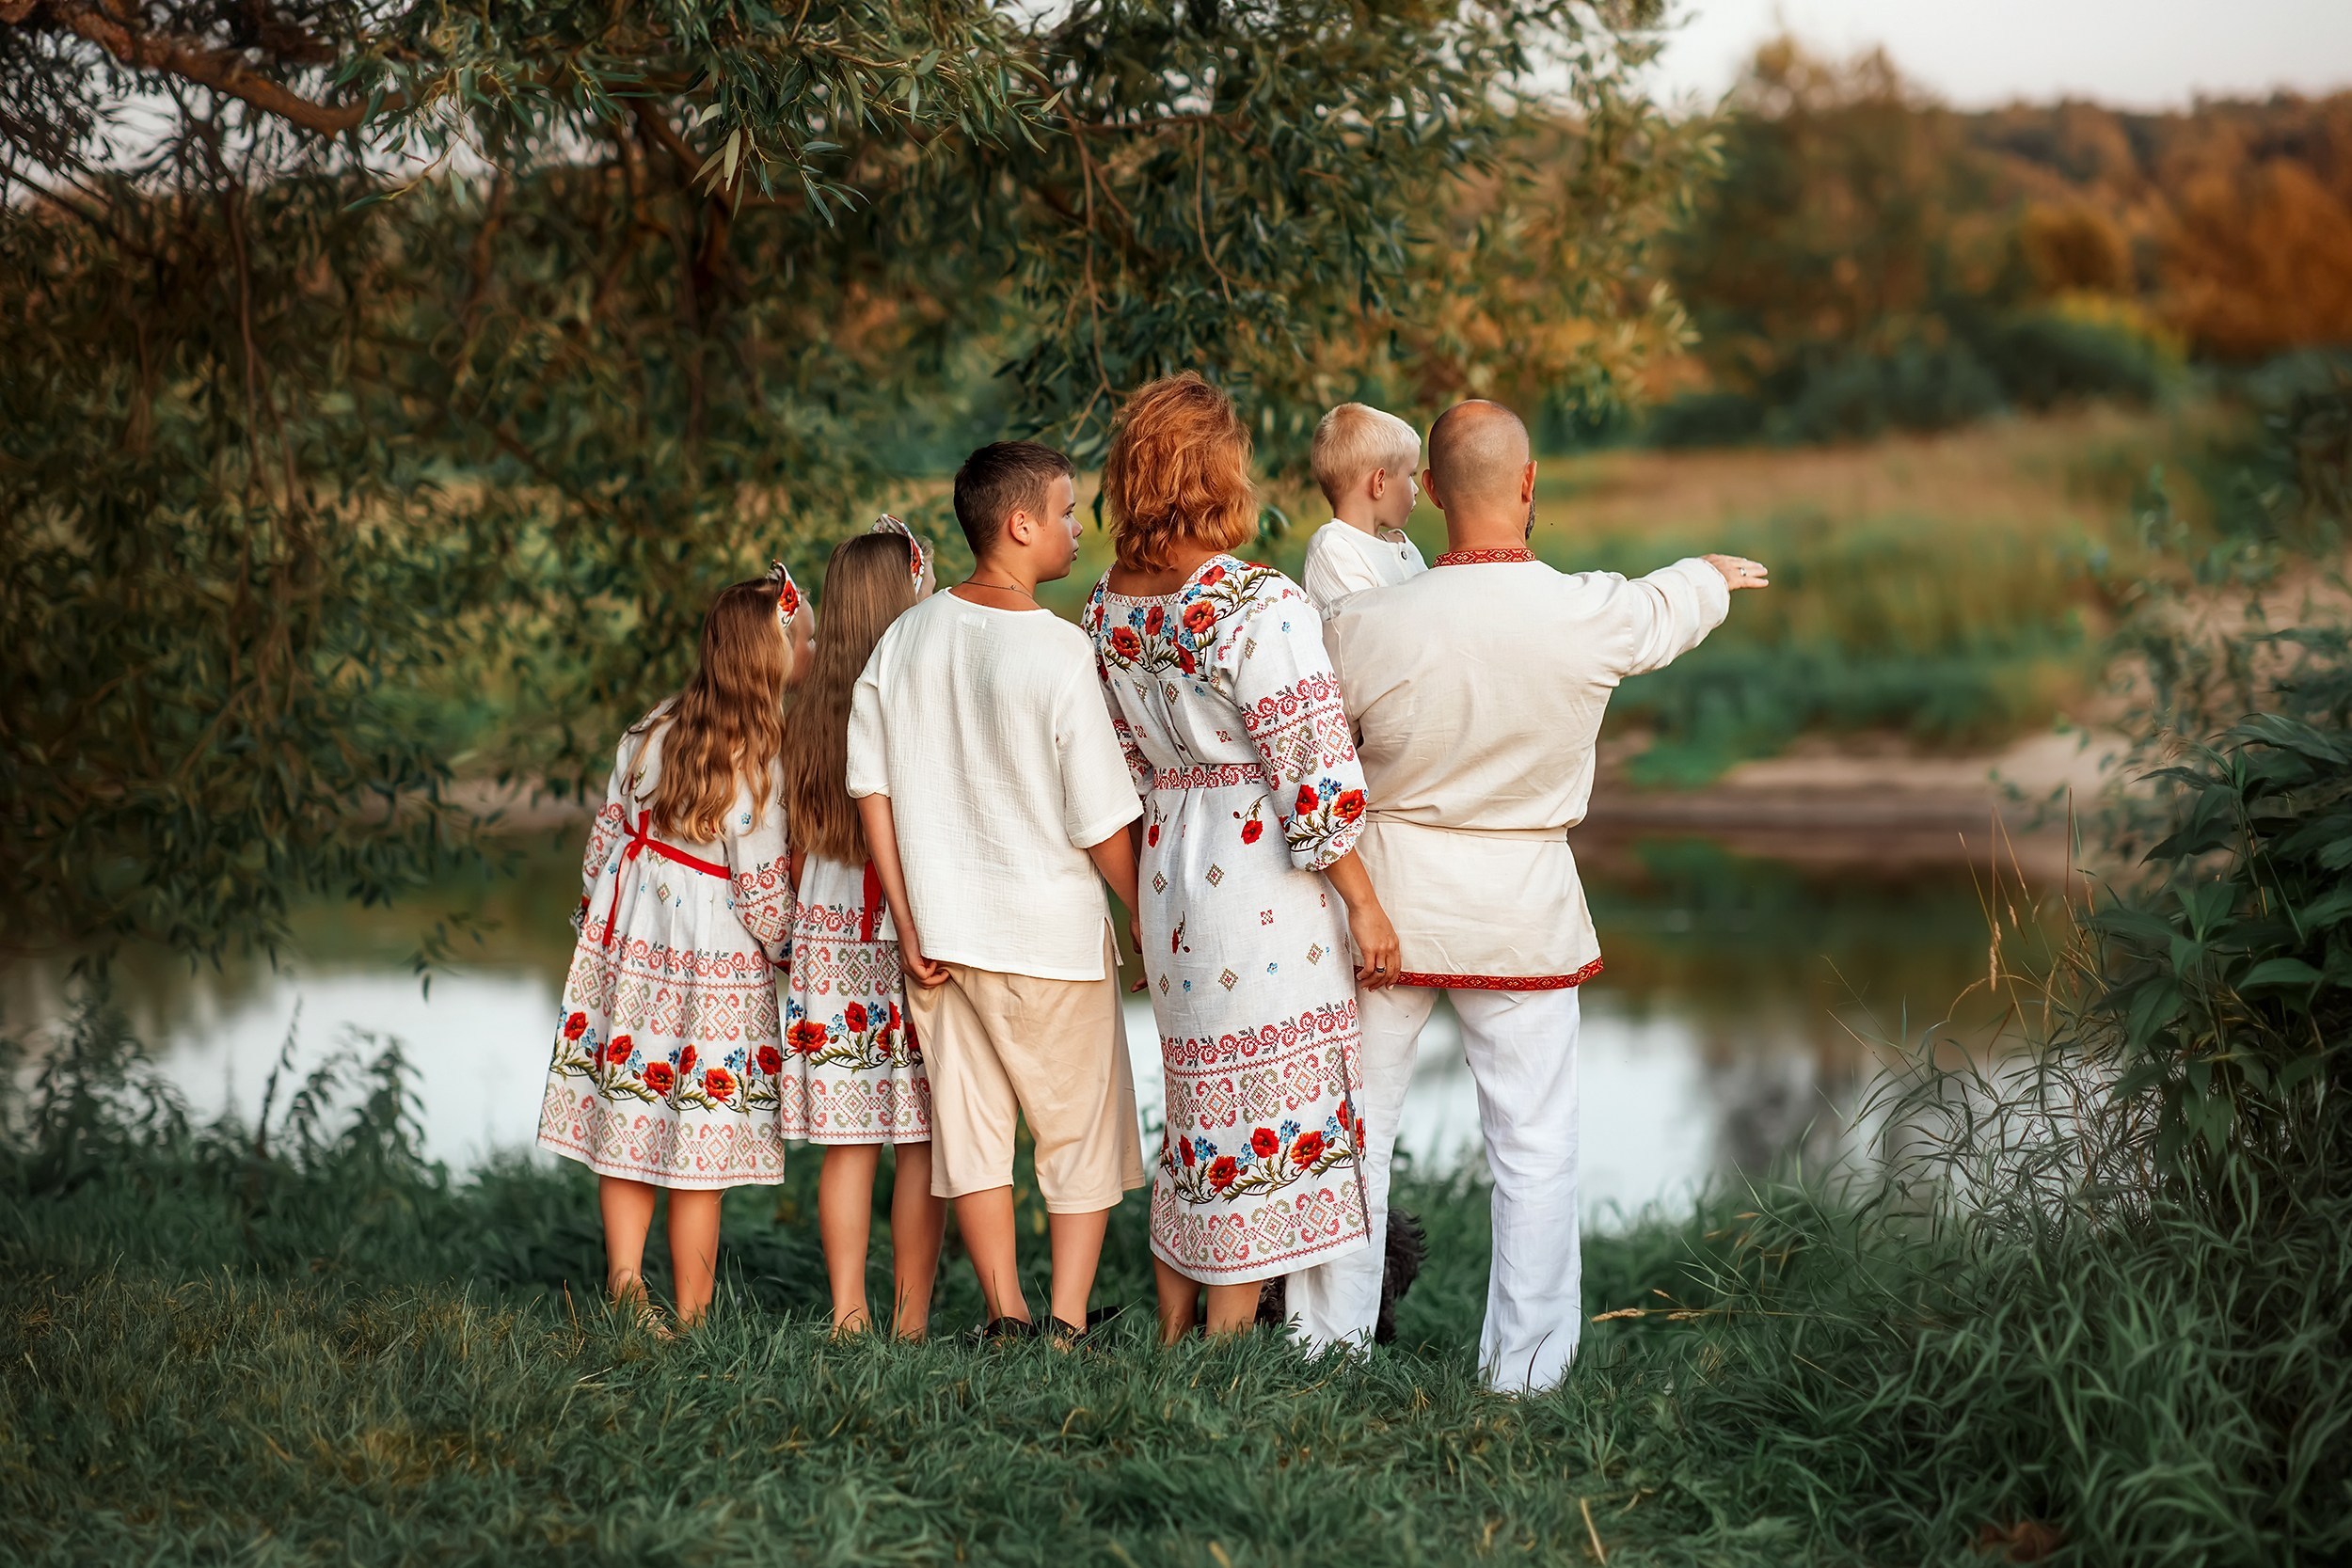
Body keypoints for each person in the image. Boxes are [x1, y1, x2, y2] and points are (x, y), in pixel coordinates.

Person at [1299, 400, 1769, 1392]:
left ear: (1425, 491)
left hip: (1383, 902)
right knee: (1535, 1145)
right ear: (1528, 484)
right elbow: (1661, 606)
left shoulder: (1361, 623)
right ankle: (1525, 1374)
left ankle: (1322, 1350)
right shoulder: (1589, 605)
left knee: (1353, 1129)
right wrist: (1705, 576)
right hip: (1523, 910)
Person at [1081, 372, 1403, 1344]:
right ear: (1218, 473)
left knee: (1195, 1108)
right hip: (1262, 882)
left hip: (1172, 876)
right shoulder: (1257, 601)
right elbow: (1310, 761)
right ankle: (1224, 1352)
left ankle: (1177, 1333)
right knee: (1257, 1108)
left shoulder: (1107, 610)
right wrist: (1366, 901)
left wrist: (1140, 903)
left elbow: (1119, 769)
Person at [848, 441, 1149, 1344]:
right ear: (1020, 525)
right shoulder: (1059, 652)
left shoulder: (908, 636)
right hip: (1048, 938)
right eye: (1065, 510)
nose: (1075, 526)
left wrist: (905, 919)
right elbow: (1100, 819)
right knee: (1080, 1131)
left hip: (942, 935)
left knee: (970, 1133)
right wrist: (1145, 918)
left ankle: (1004, 1313)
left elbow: (872, 785)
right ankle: (1062, 1321)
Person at [535, 565, 815, 1334]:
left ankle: (626, 1283)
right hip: (711, 968)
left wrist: (603, 931)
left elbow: (603, 847)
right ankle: (692, 1316)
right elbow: (760, 892)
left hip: (631, 953)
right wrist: (796, 952)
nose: (814, 649)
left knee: (632, 1110)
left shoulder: (649, 729)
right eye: (806, 638)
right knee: (698, 1138)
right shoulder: (762, 757)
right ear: (772, 658)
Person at [777, 523, 946, 1339]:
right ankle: (910, 1320)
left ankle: (848, 1313)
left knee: (851, 1142)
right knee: (919, 1138)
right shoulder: (914, 696)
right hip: (905, 918)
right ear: (901, 597)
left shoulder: (804, 711)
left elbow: (796, 839)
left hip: (828, 929)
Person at [1298, 402, 1428, 614]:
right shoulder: (1333, 549)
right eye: (1410, 475)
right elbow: (1371, 631)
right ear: (1379, 483)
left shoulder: (1403, 545)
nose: (1415, 490)